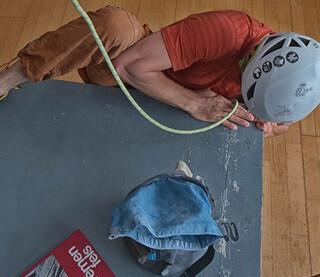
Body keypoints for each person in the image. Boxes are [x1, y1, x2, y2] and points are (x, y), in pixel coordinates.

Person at [0, 5, 319, 138]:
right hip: (132, 80)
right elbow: (130, 66)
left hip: (177, 120)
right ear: (252, 60)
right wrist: (195, 103)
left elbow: (281, 127)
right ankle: (12, 75)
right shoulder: (226, 32)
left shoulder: (298, 85)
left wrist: (266, 126)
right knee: (115, 26)